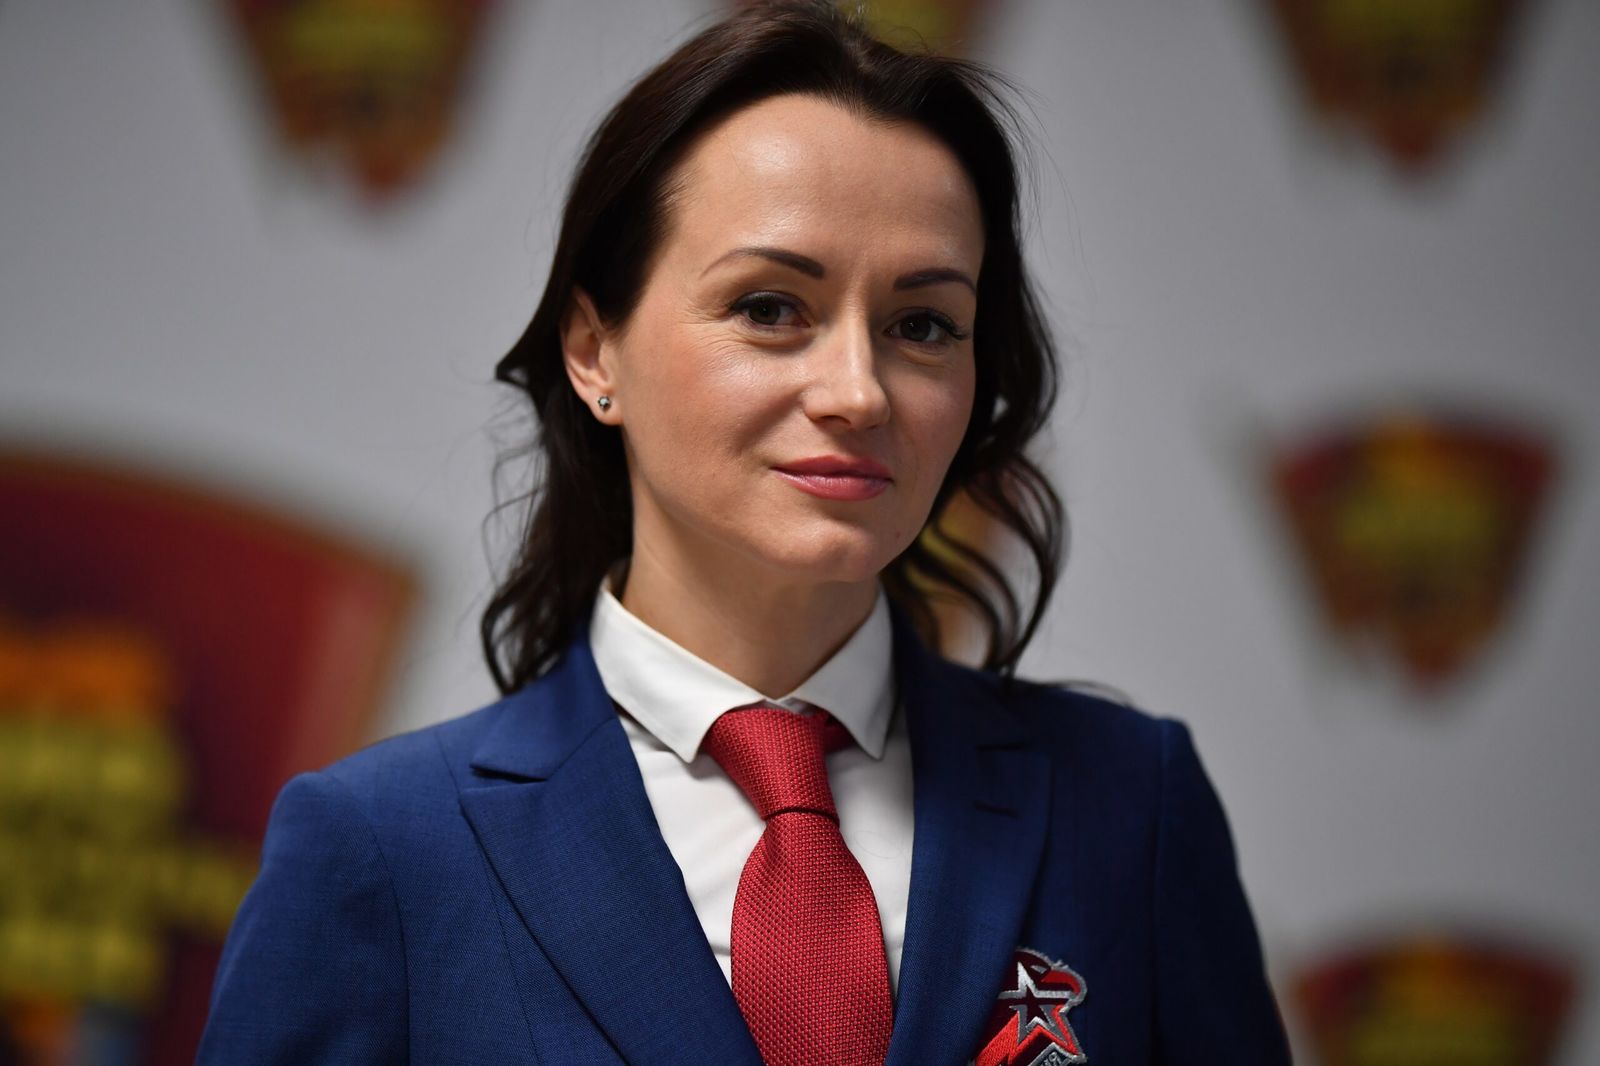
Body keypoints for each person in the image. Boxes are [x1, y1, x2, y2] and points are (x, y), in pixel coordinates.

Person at [200, 2, 1290, 1063]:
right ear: (593, 351)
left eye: (922, 324)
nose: (858, 391)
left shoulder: (1131, 803)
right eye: (770, 308)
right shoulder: (381, 847)